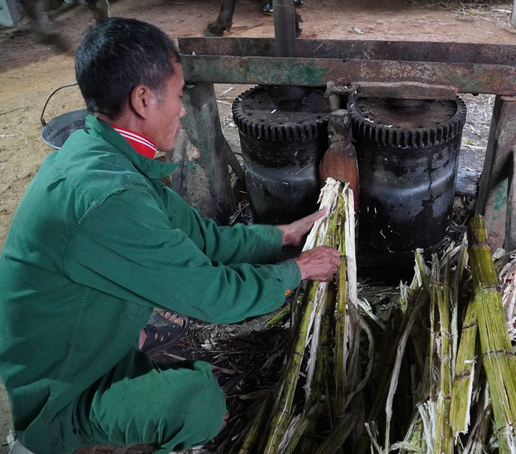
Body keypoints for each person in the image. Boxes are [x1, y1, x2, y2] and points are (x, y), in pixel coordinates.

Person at [0, 17, 341, 453]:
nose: (182, 109)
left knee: (166, 325)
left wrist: (283, 237)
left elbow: (202, 237)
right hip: (60, 390)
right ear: (143, 99)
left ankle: (125, 354)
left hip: (79, 342)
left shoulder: (103, 151)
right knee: (199, 404)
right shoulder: (109, 199)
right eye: (178, 96)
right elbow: (215, 297)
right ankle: (46, 441)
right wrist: (296, 273)